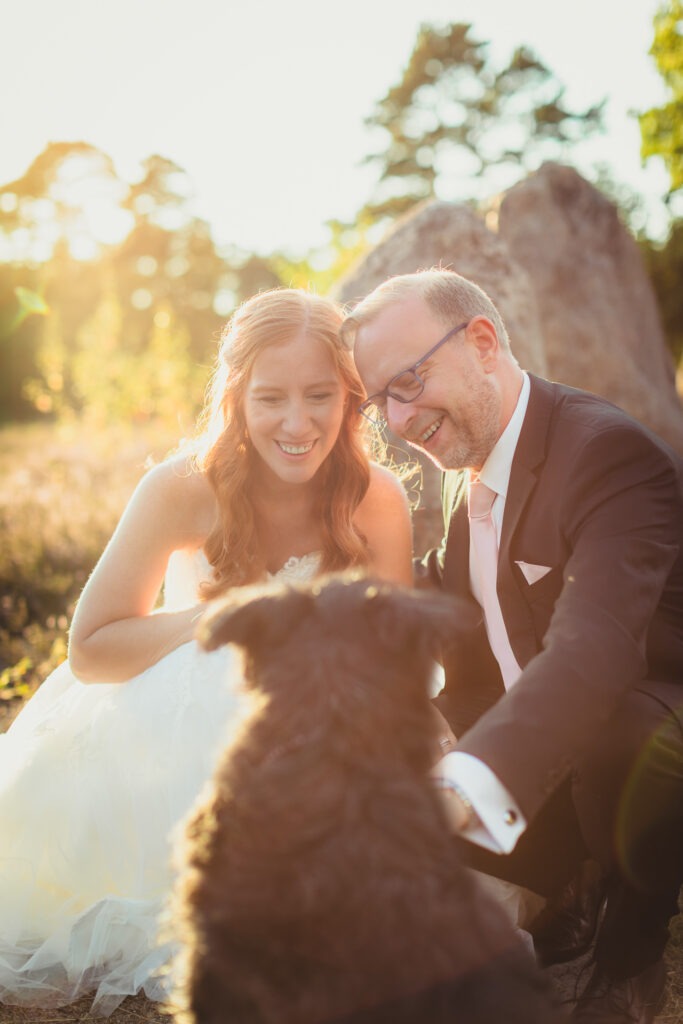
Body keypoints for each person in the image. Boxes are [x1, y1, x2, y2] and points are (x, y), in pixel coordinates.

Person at [0, 288, 413, 1017]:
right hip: (170, 736)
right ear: (235, 397)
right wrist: (214, 618)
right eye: (271, 398)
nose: (297, 422)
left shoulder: (375, 498)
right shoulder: (179, 487)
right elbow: (91, 649)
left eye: (320, 395)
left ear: (351, 400)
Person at [343, 268, 683, 1023]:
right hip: (546, 760)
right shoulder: (470, 468)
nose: (397, 420)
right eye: (379, 403)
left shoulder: (606, 456)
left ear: (483, 342)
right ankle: (567, 881)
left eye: (407, 380)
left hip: (645, 737)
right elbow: (446, 594)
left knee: (624, 738)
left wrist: (466, 784)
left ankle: (631, 950)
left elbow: (590, 655)